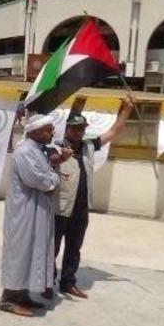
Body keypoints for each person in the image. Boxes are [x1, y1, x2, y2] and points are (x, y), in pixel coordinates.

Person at [52, 96, 133, 299]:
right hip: (59, 208)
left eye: (81, 129)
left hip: (80, 209)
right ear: (67, 129)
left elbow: (114, 131)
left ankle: (68, 282)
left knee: (74, 248)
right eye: (74, 129)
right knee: (51, 248)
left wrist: (126, 110)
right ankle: (45, 282)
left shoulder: (89, 146)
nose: (78, 132)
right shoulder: (56, 147)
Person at [0, 114, 72, 317]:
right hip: (24, 214)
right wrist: (54, 178)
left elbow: (46, 177)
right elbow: (42, 183)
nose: (52, 132)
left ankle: (22, 294)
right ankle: (8, 298)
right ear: (35, 131)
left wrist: (52, 174)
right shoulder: (24, 152)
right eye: (48, 129)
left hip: (37, 211)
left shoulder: (38, 151)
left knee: (33, 252)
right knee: (20, 252)